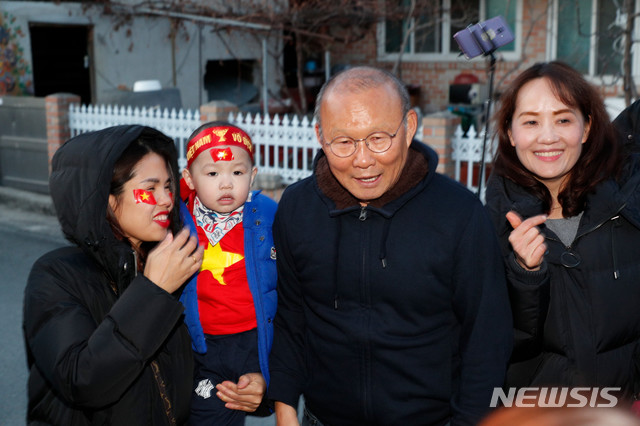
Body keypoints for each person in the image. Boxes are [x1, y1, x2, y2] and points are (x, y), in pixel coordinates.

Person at [268, 66, 513, 426]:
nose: (363, 159)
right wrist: (285, 408)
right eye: (344, 142)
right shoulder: (296, 208)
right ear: (320, 136)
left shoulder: (459, 214)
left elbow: (487, 341)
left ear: (410, 127)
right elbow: (291, 317)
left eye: (379, 138)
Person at [23, 125, 204, 425]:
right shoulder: (55, 275)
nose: (167, 200)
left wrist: (252, 386)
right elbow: (83, 380)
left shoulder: (171, 263)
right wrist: (153, 292)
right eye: (150, 189)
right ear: (106, 199)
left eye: (169, 186)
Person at [485, 61, 640, 402]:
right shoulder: (491, 224)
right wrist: (525, 275)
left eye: (563, 119)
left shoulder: (624, 206)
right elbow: (498, 345)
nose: (548, 137)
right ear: (511, 133)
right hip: (537, 413)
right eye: (530, 122)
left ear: (586, 128)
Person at [179, 121, 278, 425]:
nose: (226, 184)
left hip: (254, 339)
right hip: (202, 345)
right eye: (212, 173)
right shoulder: (178, 220)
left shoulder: (267, 213)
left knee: (243, 402)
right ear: (190, 178)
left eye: (237, 172)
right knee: (206, 416)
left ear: (253, 174)